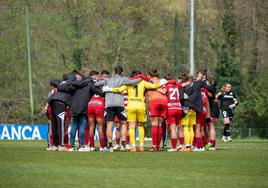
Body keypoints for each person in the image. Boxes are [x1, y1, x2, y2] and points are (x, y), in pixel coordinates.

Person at [104, 70, 167, 152]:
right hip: (141, 106)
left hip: (131, 106)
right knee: (141, 126)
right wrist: (162, 83)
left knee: (131, 127)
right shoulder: (143, 82)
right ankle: (141, 146)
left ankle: (133, 146)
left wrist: (109, 89)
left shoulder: (128, 83)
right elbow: (153, 86)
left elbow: (119, 90)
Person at [95, 66, 141, 152]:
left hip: (109, 104)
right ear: (122, 72)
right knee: (123, 123)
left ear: (114, 72)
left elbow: (96, 84)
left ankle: (110, 145)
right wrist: (142, 77)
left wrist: (102, 88)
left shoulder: (108, 80)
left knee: (109, 124)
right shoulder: (124, 79)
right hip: (120, 104)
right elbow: (134, 81)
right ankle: (123, 145)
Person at [69, 71, 104, 152]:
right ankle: (82, 145)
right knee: (82, 125)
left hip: (74, 106)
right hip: (83, 107)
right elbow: (100, 93)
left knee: (74, 125)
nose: (98, 78)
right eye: (98, 76)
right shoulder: (90, 84)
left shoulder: (79, 83)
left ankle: (71, 146)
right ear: (94, 77)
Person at [47, 73, 77, 151]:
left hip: (52, 101)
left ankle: (54, 146)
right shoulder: (73, 84)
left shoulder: (61, 83)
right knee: (60, 125)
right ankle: (61, 145)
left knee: (54, 125)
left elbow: (52, 81)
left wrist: (60, 84)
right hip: (61, 103)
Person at [163, 74, 190, 152]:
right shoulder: (177, 85)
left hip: (171, 108)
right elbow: (186, 83)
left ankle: (174, 147)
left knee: (173, 129)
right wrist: (189, 81)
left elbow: (163, 92)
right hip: (179, 108)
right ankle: (181, 145)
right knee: (180, 127)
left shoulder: (166, 86)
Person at [147, 69, 168, 151]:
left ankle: (154, 146)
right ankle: (158, 146)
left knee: (154, 123)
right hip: (164, 101)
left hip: (155, 101)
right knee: (159, 124)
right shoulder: (162, 81)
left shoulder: (150, 82)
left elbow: (148, 94)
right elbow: (164, 91)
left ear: (149, 75)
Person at [87, 70, 107, 151]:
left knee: (91, 126)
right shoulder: (102, 86)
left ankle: (92, 146)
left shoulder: (90, 84)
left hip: (90, 103)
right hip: (99, 104)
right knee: (100, 126)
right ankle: (102, 147)